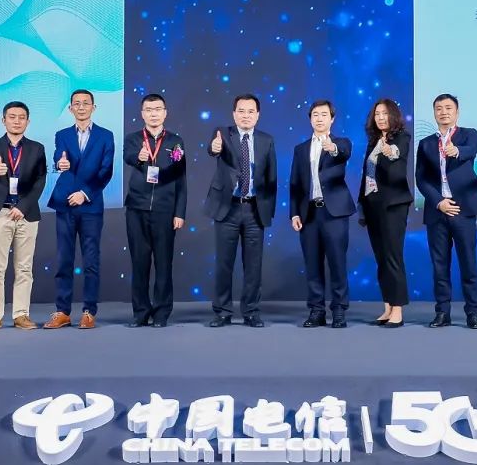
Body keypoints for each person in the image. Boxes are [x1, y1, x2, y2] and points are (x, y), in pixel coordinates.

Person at [415, 94, 477, 329]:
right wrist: (438, 201)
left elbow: (471, 149)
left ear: (457, 112)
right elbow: (421, 178)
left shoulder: (468, 134)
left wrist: (456, 150)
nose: (444, 112)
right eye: (439, 108)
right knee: (439, 265)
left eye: (448, 108)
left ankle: (473, 313)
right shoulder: (426, 143)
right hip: (438, 210)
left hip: (463, 209)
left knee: (468, 263)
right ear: (434, 113)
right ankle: (442, 312)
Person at [204, 93, 277, 327]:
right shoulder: (223, 134)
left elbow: (272, 178)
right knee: (224, 263)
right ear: (234, 114)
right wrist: (214, 147)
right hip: (228, 208)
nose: (246, 115)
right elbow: (213, 149)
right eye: (241, 111)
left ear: (258, 115)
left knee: (253, 265)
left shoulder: (266, 140)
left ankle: (251, 312)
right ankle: (222, 312)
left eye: (251, 111)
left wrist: (268, 211)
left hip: (255, 209)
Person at [44, 90, 115, 329]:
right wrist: (60, 163)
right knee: (63, 259)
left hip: (90, 205)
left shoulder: (106, 136)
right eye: (77, 103)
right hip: (65, 204)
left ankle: (89, 311)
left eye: (86, 103)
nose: (81, 107)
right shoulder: (62, 135)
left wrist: (84, 194)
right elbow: (58, 157)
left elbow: (106, 171)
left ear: (94, 107)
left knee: (91, 261)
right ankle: (62, 311)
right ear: (70, 108)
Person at [0, 101, 47, 331]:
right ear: (3, 120)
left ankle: (21, 315)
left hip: (26, 214)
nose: (17, 121)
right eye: (12, 117)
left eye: (21, 117)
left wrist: (23, 207)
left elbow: (40, 181)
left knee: (24, 268)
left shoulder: (37, 148)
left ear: (28, 121)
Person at [123, 93, 187, 328]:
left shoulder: (175, 142)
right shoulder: (133, 139)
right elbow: (128, 157)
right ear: (142, 114)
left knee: (163, 264)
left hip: (165, 211)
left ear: (165, 113)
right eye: (149, 110)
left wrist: (179, 212)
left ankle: (161, 313)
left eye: (158, 109)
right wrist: (139, 158)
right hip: (136, 209)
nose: (153, 114)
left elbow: (181, 178)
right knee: (139, 263)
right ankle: (140, 313)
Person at [289, 100, 355, 328]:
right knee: (312, 264)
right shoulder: (300, 149)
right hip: (309, 213)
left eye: (324, 114)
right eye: (315, 114)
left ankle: (339, 310)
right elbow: (295, 184)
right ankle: (316, 310)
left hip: (334, 213)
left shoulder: (341, 143)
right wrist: (294, 214)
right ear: (310, 119)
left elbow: (343, 153)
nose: (319, 118)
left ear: (332, 119)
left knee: (337, 263)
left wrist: (332, 148)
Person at [357, 98, 413, 328]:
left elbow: (397, 161)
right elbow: (367, 175)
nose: (380, 117)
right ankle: (388, 306)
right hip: (373, 205)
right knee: (381, 258)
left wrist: (390, 152)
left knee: (392, 256)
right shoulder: (373, 141)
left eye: (384, 113)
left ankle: (398, 308)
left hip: (393, 206)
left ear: (393, 116)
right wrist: (362, 203)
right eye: (377, 114)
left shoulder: (402, 138)